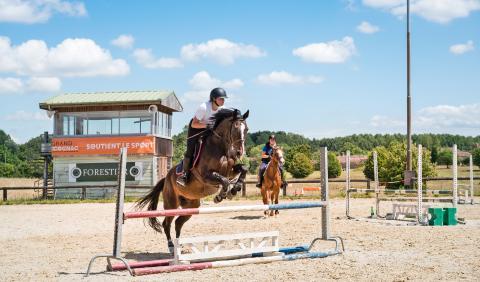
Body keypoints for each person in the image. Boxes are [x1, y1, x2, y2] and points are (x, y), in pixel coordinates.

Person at [176, 87, 227, 186]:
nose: (223, 101)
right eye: (221, 98)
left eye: (224, 99)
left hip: (211, 131)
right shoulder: (204, 107)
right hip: (196, 129)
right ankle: (184, 175)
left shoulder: (223, 109)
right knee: (190, 150)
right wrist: (208, 125)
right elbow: (194, 124)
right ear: (213, 99)